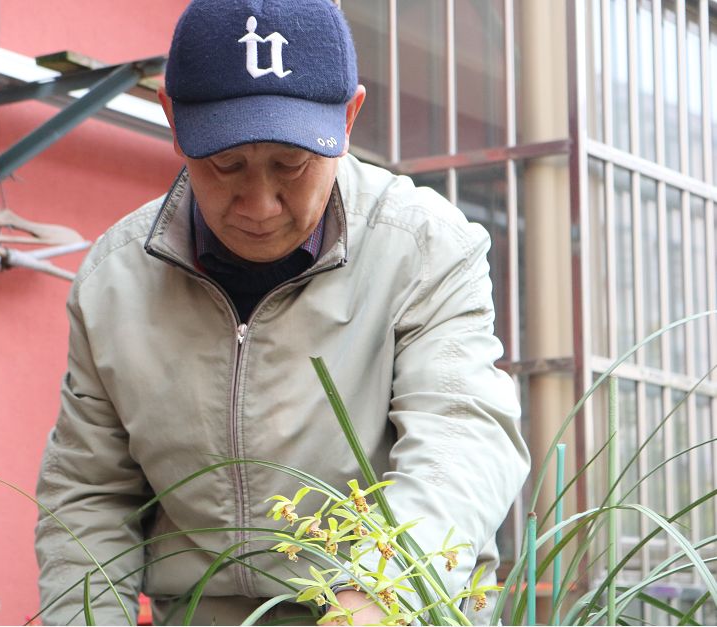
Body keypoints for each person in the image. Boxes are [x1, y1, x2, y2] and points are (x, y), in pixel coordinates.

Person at [35, 0, 530, 624]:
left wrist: (382, 591)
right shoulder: (115, 281)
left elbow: (463, 438)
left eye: (291, 165)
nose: (260, 204)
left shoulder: (426, 246)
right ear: (173, 117)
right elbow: (88, 496)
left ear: (349, 117)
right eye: (227, 165)